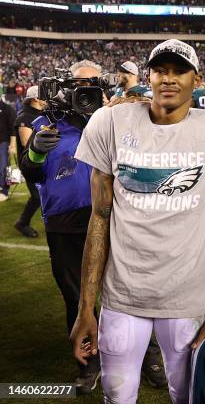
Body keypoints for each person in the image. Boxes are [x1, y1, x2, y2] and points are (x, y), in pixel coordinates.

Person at [69, 39, 205, 404]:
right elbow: (99, 219)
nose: (169, 78)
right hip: (121, 296)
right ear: (147, 76)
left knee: (186, 396)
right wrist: (87, 308)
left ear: (196, 80)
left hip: (186, 300)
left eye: (179, 70)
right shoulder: (111, 121)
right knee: (117, 396)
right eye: (160, 70)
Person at [20, 60, 104, 394]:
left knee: (122, 292)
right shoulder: (45, 122)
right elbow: (30, 171)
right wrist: (36, 153)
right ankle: (89, 363)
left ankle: (147, 353)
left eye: (92, 84)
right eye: (79, 84)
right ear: (64, 86)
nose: (85, 91)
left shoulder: (110, 119)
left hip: (111, 218)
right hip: (64, 222)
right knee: (76, 296)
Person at [14, 85, 44, 237]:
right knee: (37, 196)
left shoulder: (41, 114)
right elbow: (27, 143)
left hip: (40, 162)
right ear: (36, 99)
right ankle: (22, 222)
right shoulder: (25, 117)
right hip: (30, 164)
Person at [0, 95, 16, 202]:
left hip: (3, 142)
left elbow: (13, 128)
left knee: (4, 167)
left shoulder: (7, 108)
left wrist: (13, 145)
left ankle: (4, 191)